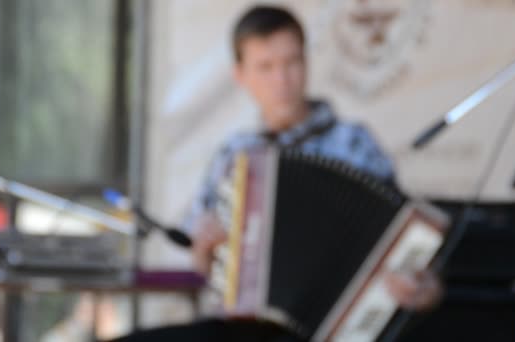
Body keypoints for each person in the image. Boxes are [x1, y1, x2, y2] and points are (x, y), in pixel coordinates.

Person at [109, 5, 441, 342]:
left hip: (335, 329)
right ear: (240, 75)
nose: (281, 81)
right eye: (265, 67)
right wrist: (205, 248)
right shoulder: (233, 155)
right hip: (244, 327)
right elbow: (203, 263)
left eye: (291, 63)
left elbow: (404, 243)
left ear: (307, 62)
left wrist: (419, 283)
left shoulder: (353, 143)